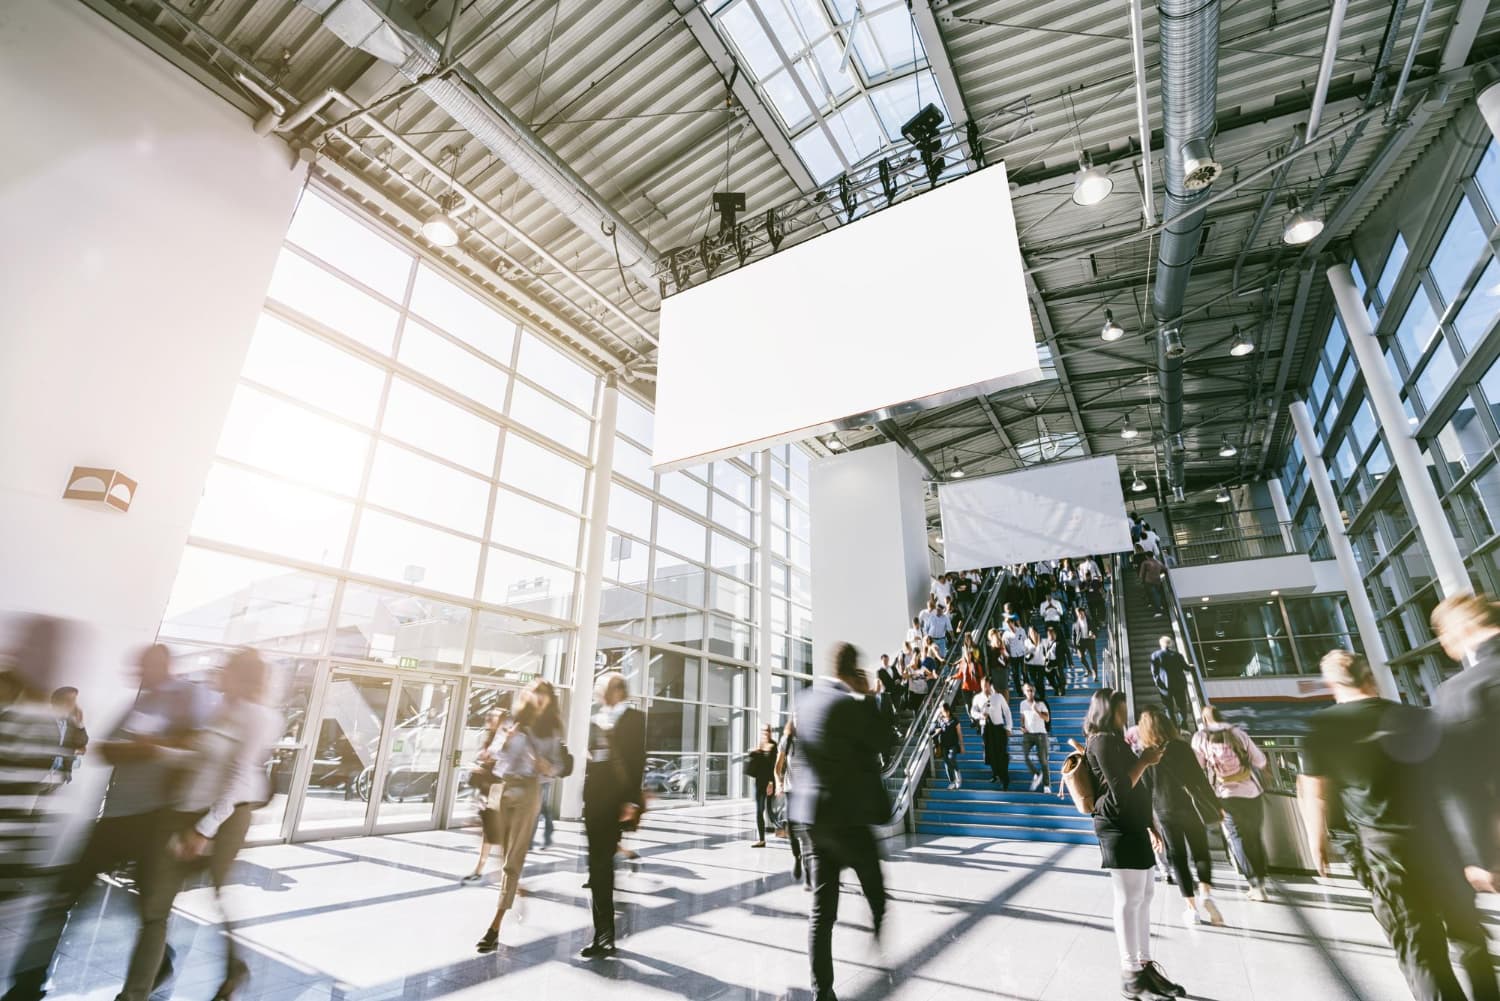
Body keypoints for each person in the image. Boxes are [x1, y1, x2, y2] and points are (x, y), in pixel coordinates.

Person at [6, 643, 206, 1001]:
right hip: (114, 818)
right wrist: (146, 749)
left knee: (149, 912)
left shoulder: (189, 699)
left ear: (164, 666)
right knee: (63, 896)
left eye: (144, 667)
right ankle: (28, 982)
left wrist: (151, 749)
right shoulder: (140, 703)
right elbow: (103, 749)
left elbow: (196, 756)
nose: (138, 675)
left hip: (157, 823)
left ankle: (153, 970)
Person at [1299, 650, 1497, 1001]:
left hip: (1384, 849)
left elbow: (1316, 795)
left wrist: (1317, 843)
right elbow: (1453, 782)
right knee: (1468, 934)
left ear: (1332, 685)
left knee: (1418, 945)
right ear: (1370, 677)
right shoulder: (1417, 717)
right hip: (1439, 840)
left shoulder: (1322, 729)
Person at [125, 649, 280, 1001]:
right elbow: (200, 758)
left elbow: (239, 775)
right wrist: (156, 751)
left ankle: (233, 967)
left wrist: (205, 828)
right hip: (185, 811)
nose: (218, 674)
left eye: (225, 670)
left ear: (241, 676)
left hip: (223, 816)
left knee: (217, 892)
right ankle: (134, 994)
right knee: (156, 905)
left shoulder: (260, 717)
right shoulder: (224, 710)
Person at [787, 642, 893, 1001]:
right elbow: (883, 739)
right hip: (847, 816)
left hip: (813, 820)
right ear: (852, 672)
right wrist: (869, 697)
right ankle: (878, 929)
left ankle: (822, 992)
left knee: (821, 912)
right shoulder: (848, 703)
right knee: (876, 887)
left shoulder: (805, 701)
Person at [1084, 690, 1183, 1000]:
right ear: (1106, 711)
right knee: (1128, 897)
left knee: (1145, 894)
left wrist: (1150, 825)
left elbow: (1135, 790)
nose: (1125, 715)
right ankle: (1131, 973)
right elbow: (1119, 791)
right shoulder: (1101, 741)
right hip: (1116, 828)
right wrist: (1144, 760)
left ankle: (1144, 964)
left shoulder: (1115, 742)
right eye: (1120, 710)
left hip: (1133, 826)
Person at [475, 680, 565, 952]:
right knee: (499, 853)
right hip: (500, 788)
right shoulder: (513, 722)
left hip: (528, 790)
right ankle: (515, 891)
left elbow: (558, 766)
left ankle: (494, 927)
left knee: (512, 860)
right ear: (528, 695)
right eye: (536, 692)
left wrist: (547, 767)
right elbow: (491, 755)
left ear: (550, 700)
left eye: (545, 695)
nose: (540, 698)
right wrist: (498, 747)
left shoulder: (551, 730)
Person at [1430, 594, 1500, 892]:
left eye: (1442, 634)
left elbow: (1459, 782)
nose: (1443, 643)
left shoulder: (1464, 690)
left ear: (1463, 627)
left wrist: (1478, 855)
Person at [1137, 708, 1223, 928]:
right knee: (1200, 851)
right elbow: (1199, 780)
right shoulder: (1183, 748)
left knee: (1177, 857)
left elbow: (1144, 793)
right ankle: (1205, 892)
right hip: (1189, 807)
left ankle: (1191, 909)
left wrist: (1149, 825)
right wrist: (1215, 805)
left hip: (1164, 810)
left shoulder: (1145, 755)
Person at [581, 672, 646, 959]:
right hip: (594, 802)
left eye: (602, 686)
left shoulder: (635, 719)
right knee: (597, 868)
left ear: (616, 690)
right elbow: (594, 757)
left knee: (601, 866)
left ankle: (604, 935)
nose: (597, 691)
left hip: (617, 803)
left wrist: (632, 800)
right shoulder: (596, 718)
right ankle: (603, 933)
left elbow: (637, 760)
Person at [1191, 705, 1270, 900]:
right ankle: (1261, 879)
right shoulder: (1238, 733)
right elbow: (1260, 761)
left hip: (1225, 795)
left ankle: (1254, 885)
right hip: (1252, 792)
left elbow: (1198, 766)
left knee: (1237, 837)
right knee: (1254, 835)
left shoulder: (1200, 737)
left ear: (1204, 719)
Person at [462, 708, 509, 884]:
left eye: (493, 718)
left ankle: (508, 873)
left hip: (496, 788)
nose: (488, 720)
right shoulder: (490, 737)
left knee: (495, 831)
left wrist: (481, 767)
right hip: (487, 788)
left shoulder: (503, 739)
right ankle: (481, 869)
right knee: (490, 831)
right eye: (488, 717)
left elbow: (500, 766)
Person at [775, 719, 808, 888]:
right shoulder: (786, 742)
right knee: (792, 829)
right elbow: (777, 767)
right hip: (791, 791)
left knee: (809, 832)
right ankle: (797, 857)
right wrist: (779, 783)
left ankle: (809, 873)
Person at [969, 677, 1012, 788]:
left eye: (987, 684)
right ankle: (995, 773)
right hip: (986, 728)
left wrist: (1009, 727)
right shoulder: (977, 698)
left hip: (998, 727)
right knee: (990, 752)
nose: (985, 687)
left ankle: (1004, 778)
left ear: (990, 685)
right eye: (983, 684)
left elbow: (1007, 711)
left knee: (1001, 752)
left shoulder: (998, 697)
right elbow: (973, 711)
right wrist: (980, 715)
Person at [1149, 637, 1193, 729]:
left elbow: (1154, 672)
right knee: (1182, 706)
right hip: (1179, 685)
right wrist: (1192, 666)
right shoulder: (1177, 655)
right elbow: (1186, 668)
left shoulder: (1155, 655)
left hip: (1164, 686)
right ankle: (1183, 724)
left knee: (1168, 707)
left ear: (1161, 644)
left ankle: (1172, 726)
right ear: (1171, 644)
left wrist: (1158, 683)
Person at [48, 686, 87, 787]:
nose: (73, 705)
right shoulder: (44, 720)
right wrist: (72, 751)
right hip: (41, 774)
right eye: (69, 700)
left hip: (59, 776)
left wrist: (79, 724)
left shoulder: (70, 722)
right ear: (56, 702)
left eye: (74, 701)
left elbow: (82, 744)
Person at [747, 725, 779, 847]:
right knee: (759, 811)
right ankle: (762, 840)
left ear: (770, 732)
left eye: (767, 730)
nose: (765, 733)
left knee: (771, 812)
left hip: (769, 783)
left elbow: (773, 766)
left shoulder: (774, 746)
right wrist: (754, 752)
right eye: (763, 731)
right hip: (759, 783)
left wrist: (771, 783)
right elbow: (756, 764)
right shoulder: (760, 746)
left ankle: (789, 830)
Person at [1018, 683, 1051, 792]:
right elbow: (1022, 717)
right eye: (1028, 690)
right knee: (1025, 756)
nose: (1030, 693)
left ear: (1034, 691)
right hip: (1028, 734)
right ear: (1024, 692)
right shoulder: (1022, 704)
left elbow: (1047, 718)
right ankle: (1036, 774)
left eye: (1031, 690)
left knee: (1043, 761)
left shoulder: (1041, 703)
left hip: (1041, 734)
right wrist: (1022, 726)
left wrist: (1037, 710)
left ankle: (1046, 785)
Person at [932, 702, 964, 790]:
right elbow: (935, 730)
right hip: (944, 745)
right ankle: (952, 781)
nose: (945, 713)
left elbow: (959, 733)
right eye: (943, 711)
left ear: (949, 710)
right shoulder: (940, 720)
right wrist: (937, 731)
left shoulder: (954, 720)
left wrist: (962, 746)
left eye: (946, 710)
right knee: (946, 763)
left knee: (951, 758)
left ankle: (958, 775)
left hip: (953, 744)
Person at [1002, 620, 1030, 696]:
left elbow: (1025, 640)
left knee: (1025, 673)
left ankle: (1027, 689)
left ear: (1013, 622)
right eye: (1007, 624)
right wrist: (1007, 654)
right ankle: (1019, 691)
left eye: (1010, 623)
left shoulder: (1021, 630)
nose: (1009, 625)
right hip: (1013, 656)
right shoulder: (1006, 634)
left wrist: (1027, 651)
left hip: (1022, 654)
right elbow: (1004, 645)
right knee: (1016, 674)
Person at [1073, 607, 1099, 683]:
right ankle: (1088, 670)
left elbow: (1096, 630)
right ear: (1077, 615)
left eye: (1082, 613)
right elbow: (1073, 635)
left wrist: (1094, 635)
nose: (1081, 615)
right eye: (1079, 614)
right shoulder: (1075, 624)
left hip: (1090, 641)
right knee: (1081, 658)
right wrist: (1075, 645)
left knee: (1093, 658)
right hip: (1081, 643)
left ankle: (1095, 676)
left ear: (1084, 613)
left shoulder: (1090, 621)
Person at [1042, 625, 1066, 697]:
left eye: (1052, 633)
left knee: (1060, 678)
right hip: (1049, 663)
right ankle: (1056, 688)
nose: (1051, 635)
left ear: (1055, 634)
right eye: (1049, 634)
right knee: (1050, 678)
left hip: (1057, 662)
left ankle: (1062, 690)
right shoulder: (1045, 642)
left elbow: (1065, 652)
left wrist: (1066, 661)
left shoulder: (1059, 643)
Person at [1024, 626, 1048, 696]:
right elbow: (1025, 654)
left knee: (1040, 681)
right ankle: (1036, 695)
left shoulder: (1043, 641)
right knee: (1033, 681)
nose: (1032, 634)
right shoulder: (1026, 642)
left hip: (1041, 664)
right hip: (1031, 664)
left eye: (1034, 632)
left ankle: (1042, 696)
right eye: (1031, 632)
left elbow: (1046, 652)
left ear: (1037, 632)